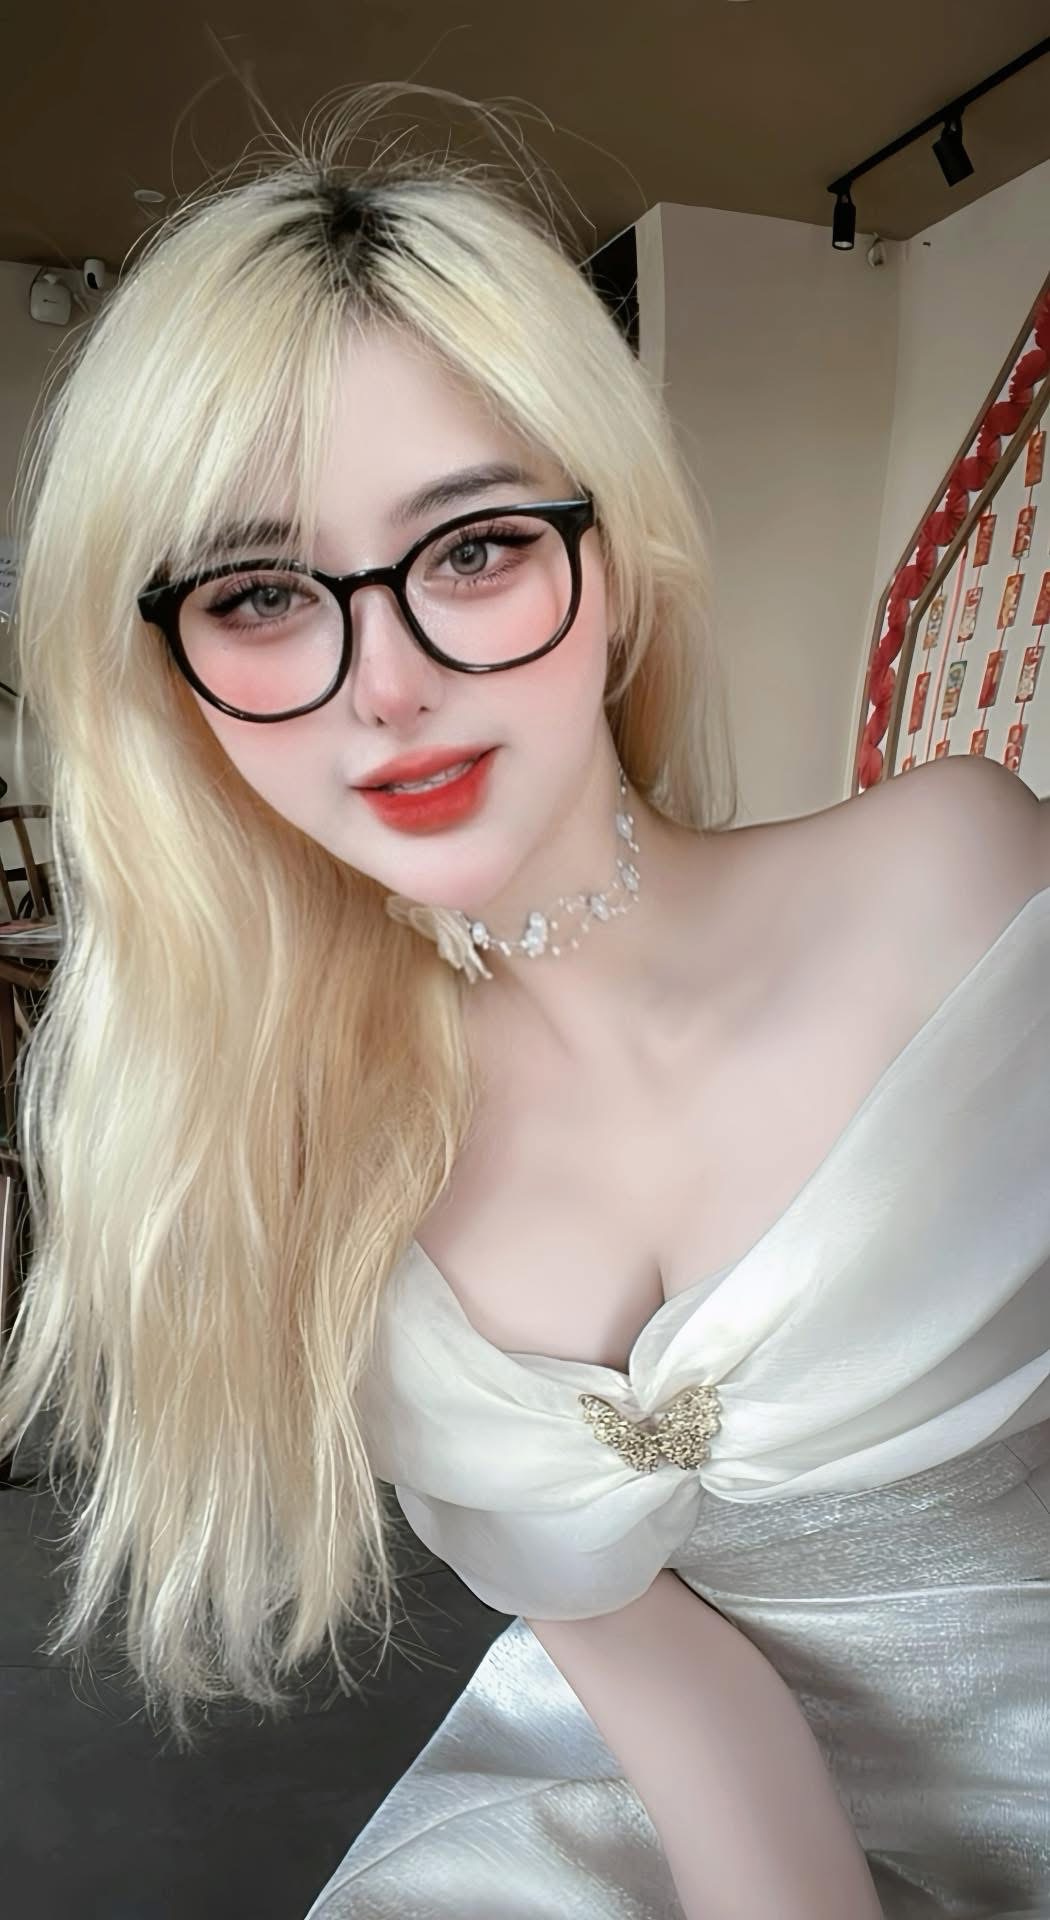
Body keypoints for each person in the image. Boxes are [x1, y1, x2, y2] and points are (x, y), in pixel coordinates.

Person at [1, 83, 1048, 1920]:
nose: (383, 683)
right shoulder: (319, 1168)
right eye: (260, 593)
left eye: (475, 547)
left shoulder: (956, 890)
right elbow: (689, 1711)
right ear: (172, 681)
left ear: (614, 567)